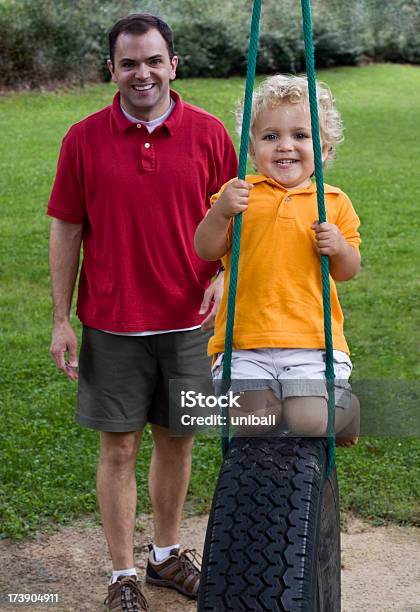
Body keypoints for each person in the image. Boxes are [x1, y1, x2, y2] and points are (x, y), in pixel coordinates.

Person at [47, 13, 237, 611]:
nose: (142, 73)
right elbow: (67, 228)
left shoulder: (209, 134)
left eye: (154, 60)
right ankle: (123, 574)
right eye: (129, 63)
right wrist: (60, 317)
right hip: (112, 321)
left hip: (189, 322)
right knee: (119, 449)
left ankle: (166, 556)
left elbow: (238, 221)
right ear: (113, 70)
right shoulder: (83, 137)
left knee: (177, 442)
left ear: (173, 64)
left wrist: (227, 278)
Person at [195, 74, 360, 443]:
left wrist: (339, 247)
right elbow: (205, 249)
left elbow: (348, 271)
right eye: (271, 137)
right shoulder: (237, 195)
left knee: (307, 421)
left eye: (301, 136)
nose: (286, 146)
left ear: (326, 148)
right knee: (258, 421)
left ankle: (346, 411)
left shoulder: (332, 203)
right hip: (244, 341)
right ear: (252, 149)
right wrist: (220, 212)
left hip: (311, 341)